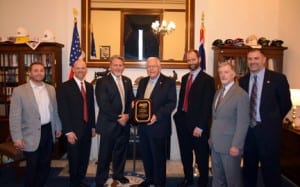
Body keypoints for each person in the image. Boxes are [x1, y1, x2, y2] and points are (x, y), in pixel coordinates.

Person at [239, 49, 292, 187]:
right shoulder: (242, 81)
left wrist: (272, 121)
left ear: (264, 59)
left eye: (256, 58)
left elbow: (285, 104)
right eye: (250, 59)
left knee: (271, 171)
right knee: (248, 170)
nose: (252, 62)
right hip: (249, 132)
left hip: (269, 133)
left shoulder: (278, 79)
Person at [9, 62, 62, 187]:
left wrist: (58, 127)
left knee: (45, 164)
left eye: (42, 70)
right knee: (32, 166)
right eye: (36, 70)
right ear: (30, 73)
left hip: (48, 131)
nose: (39, 73)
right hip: (29, 134)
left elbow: (55, 110)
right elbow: (14, 116)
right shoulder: (19, 91)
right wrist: (17, 137)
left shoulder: (51, 89)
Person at [174, 49, 215, 187]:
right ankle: (188, 178)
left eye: (193, 59)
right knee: (185, 154)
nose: (191, 62)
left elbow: (207, 105)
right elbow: (182, 101)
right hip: (183, 122)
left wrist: (201, 126)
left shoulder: (208, 80)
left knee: (201, 156)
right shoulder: (185, 78)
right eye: (188, 60)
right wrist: (178, 116)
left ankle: (203, 182)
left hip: (198, 125)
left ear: (199, 60)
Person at [135, 57, 176, 187]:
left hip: (159, 126)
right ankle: (149, 178)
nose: (151, 69)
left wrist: (156, 116)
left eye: (153, 66)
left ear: (159, 67)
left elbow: (171, 103)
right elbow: (139, 101)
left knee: (158, 158)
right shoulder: (143, 82)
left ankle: (159, 182)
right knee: (146, 156)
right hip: (143, 127)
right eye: (148, 66)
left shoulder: (168, 82)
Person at [95, 55, 134, 187]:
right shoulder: (102, 82)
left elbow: (131, 101)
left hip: (124, 124)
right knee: (105, 154)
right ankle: (101, 179)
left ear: (123, 67)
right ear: (110, 66)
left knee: (121, 152)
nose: (118, 67)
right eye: (115, 65)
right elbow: (103, 104)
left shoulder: (128, 81)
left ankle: (118, 175)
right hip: (109, 124)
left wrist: (128, 116)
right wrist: (119, 118)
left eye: (120, 65)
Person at [209, 62, 249, 187]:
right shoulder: (218, 92)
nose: (223, 75)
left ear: (233, 74)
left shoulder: (241, 94)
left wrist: (236, 145)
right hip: (215, 144)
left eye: (226, 72)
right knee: (217, 179)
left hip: (230, 146)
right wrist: (211, 138)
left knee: (233, 181)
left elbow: (243, 123)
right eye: (220, 72)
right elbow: (215, 118)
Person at [57, 60, 96, 187]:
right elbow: (63, 111)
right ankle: (74, 183)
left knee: (84, 159)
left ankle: (81, 181)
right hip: (73, 131)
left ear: (86, 70)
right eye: (78, 68)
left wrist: (93, 126)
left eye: (83, 68)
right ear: (73, 69)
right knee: (74, 160)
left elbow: (90, 108)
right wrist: (68, 131)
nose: (81, 70)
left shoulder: (89, 87)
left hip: (87, 129)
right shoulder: (64, 87)